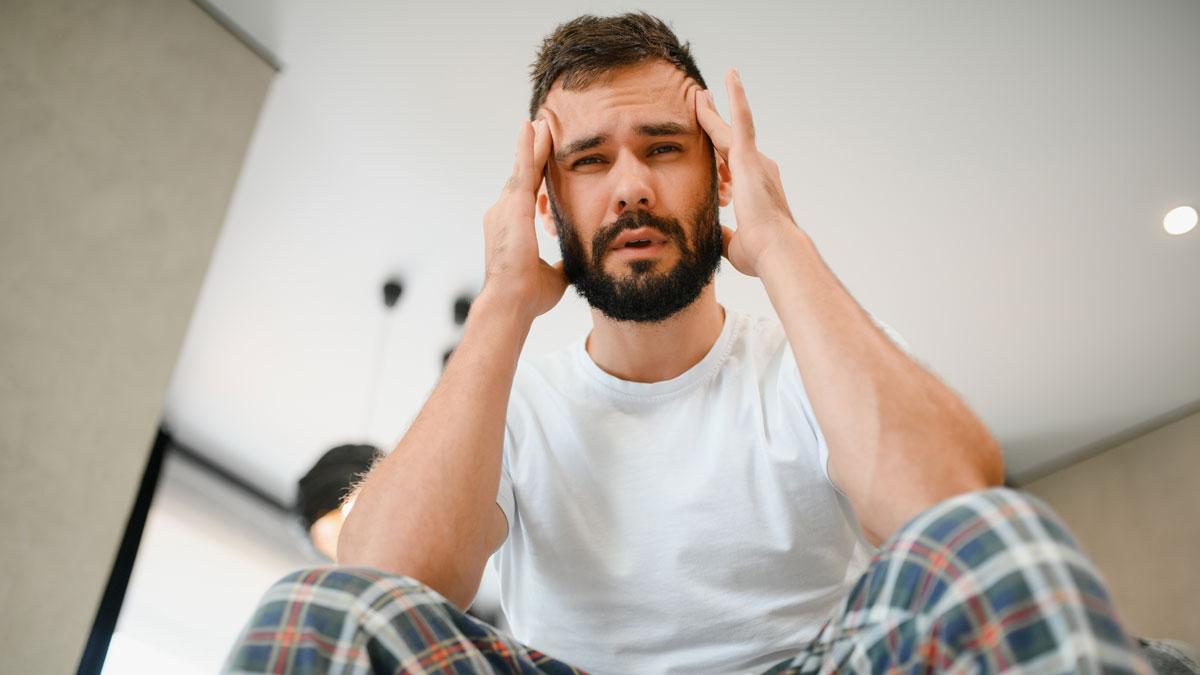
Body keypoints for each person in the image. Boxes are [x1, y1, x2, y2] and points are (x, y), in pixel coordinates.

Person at [224, 13, 1153, 675]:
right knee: (312, 609)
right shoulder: (516, 406)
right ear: (548, 202)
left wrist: (779, 241)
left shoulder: (804, 362)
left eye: (664, 148)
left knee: (1008, 540)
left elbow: (956, 507)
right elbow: (377, 585)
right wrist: (502, 301)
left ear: (721, 178)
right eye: (590, 160)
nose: (630, 185)